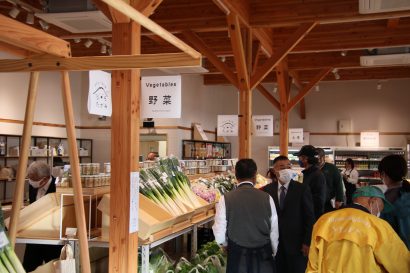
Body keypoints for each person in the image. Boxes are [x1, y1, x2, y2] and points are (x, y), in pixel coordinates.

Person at [306, 186, 410, 273]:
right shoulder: (378, 225)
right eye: (380, 208)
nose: (379, 213)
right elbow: (401, 264)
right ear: (373, 201)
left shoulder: (324, 220)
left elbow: (313, 263)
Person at [212, 158, 279, 273]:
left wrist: (225, 245)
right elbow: (274, 230)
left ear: (236, 176)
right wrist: (273, 250)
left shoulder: (226, 198)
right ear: (255, 176)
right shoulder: (267, 198)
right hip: (263, 253)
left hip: (237, 253)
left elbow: (219, 232)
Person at [261, 156, 315, 273]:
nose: (286, 169)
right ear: (275, 171)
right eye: (282, 167)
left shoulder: (302, 189)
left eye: (289, 166)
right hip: (274, 243)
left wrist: (307, 241)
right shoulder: (267, 190)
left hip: (296, 244)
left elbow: (309, 217)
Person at [23, 161, 61, 272]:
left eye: (34, 179)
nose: (31, 182)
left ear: (45, 178)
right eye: (30, 178)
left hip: (51, 238)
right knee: (28, 268)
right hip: (33, 237)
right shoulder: (32, 186)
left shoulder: (58, 186)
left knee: (53, 268)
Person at [378, 154, 410, 249]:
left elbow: (384, 233)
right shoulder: (406, 191)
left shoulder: (387, 199)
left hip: (398, 253)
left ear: (383, 174)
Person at [295, 145, 327, 220]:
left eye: (299, 157)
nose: (298, 160)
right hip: (306, 214)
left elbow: (319, 201)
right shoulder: (305, 173)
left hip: (312, 217)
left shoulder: (317, 175)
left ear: (305, 158)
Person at [316, 148, 344, 212]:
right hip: (315, 201)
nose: (317, 160)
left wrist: (339, 199)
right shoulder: (312, 168)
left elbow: (339, 184)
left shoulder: (332, 168)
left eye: (319, 158)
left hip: (328, 202)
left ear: (323, 157)